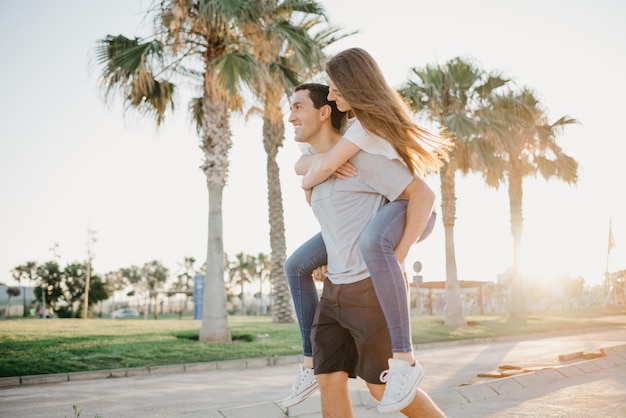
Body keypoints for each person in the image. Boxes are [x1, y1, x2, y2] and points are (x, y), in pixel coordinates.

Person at [283, 48, 450, 414]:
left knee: (380, 389)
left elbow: (420, 196)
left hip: (366, 290)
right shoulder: (316, 172)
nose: (290, 116)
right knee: (328, 379)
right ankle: (309, 364)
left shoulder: (363, 156)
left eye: (298, 107)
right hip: (333, 293)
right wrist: (326, 255)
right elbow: (335, 221)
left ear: (325, 113)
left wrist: (399, 254)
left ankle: (406, 361)